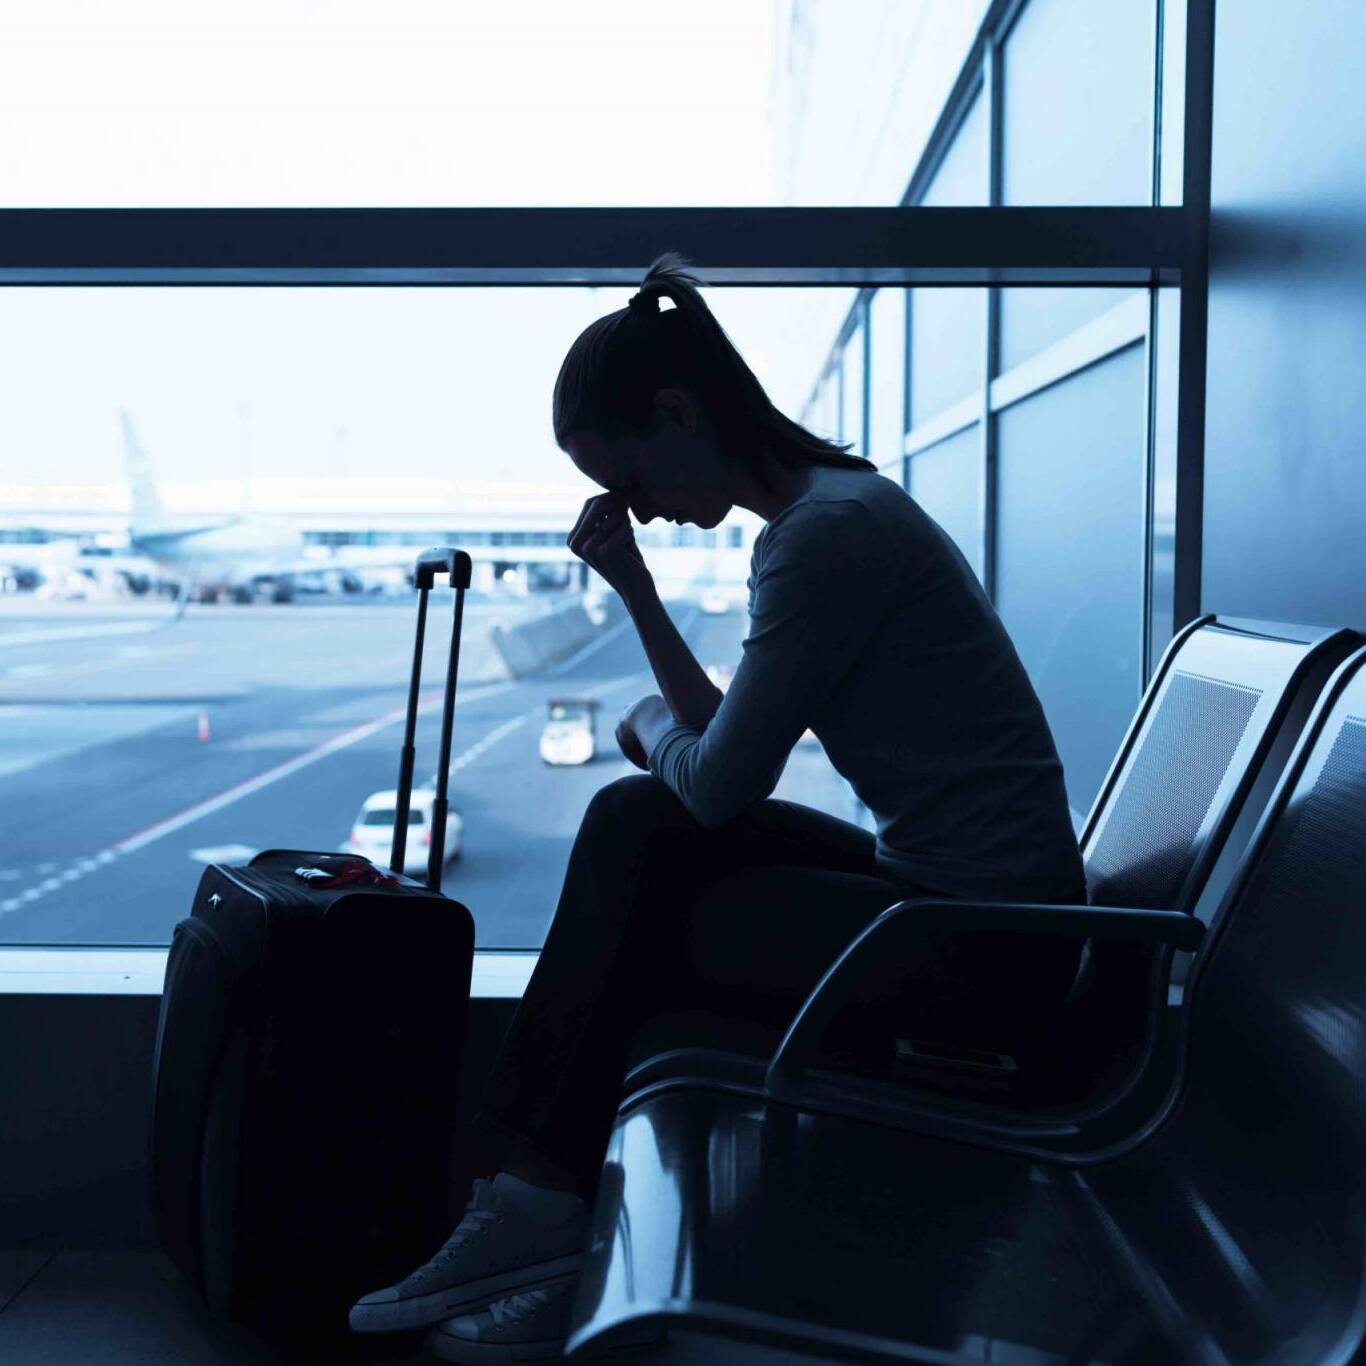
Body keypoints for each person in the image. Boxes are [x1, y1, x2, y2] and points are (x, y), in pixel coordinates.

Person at [349, 253, 1088, 1362]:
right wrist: (638, 595)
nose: (637, 505)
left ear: (679, 412)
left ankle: (533, 1207)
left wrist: (645, 730)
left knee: (639, 837)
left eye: (633, 477)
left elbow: (715, 778)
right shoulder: (833, 514)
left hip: (982, 954)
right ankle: (539, 1208)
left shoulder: (825, 538)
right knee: (638, 829)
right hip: (962, 907)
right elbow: (729, 753)